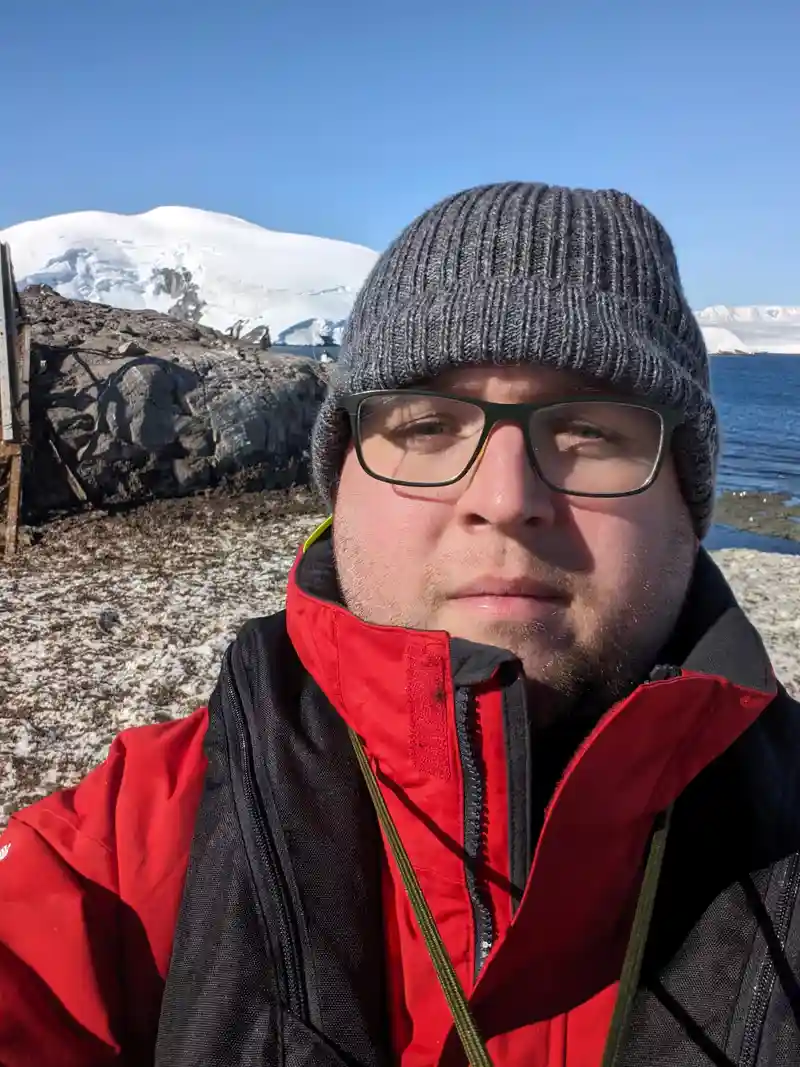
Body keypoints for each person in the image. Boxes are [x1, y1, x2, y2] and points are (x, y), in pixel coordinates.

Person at [1, 182, 799, 1067]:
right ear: (339, 484)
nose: (504, 500)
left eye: (588, 430)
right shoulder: (137, 844)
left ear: (688, 505)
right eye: (424, 425)